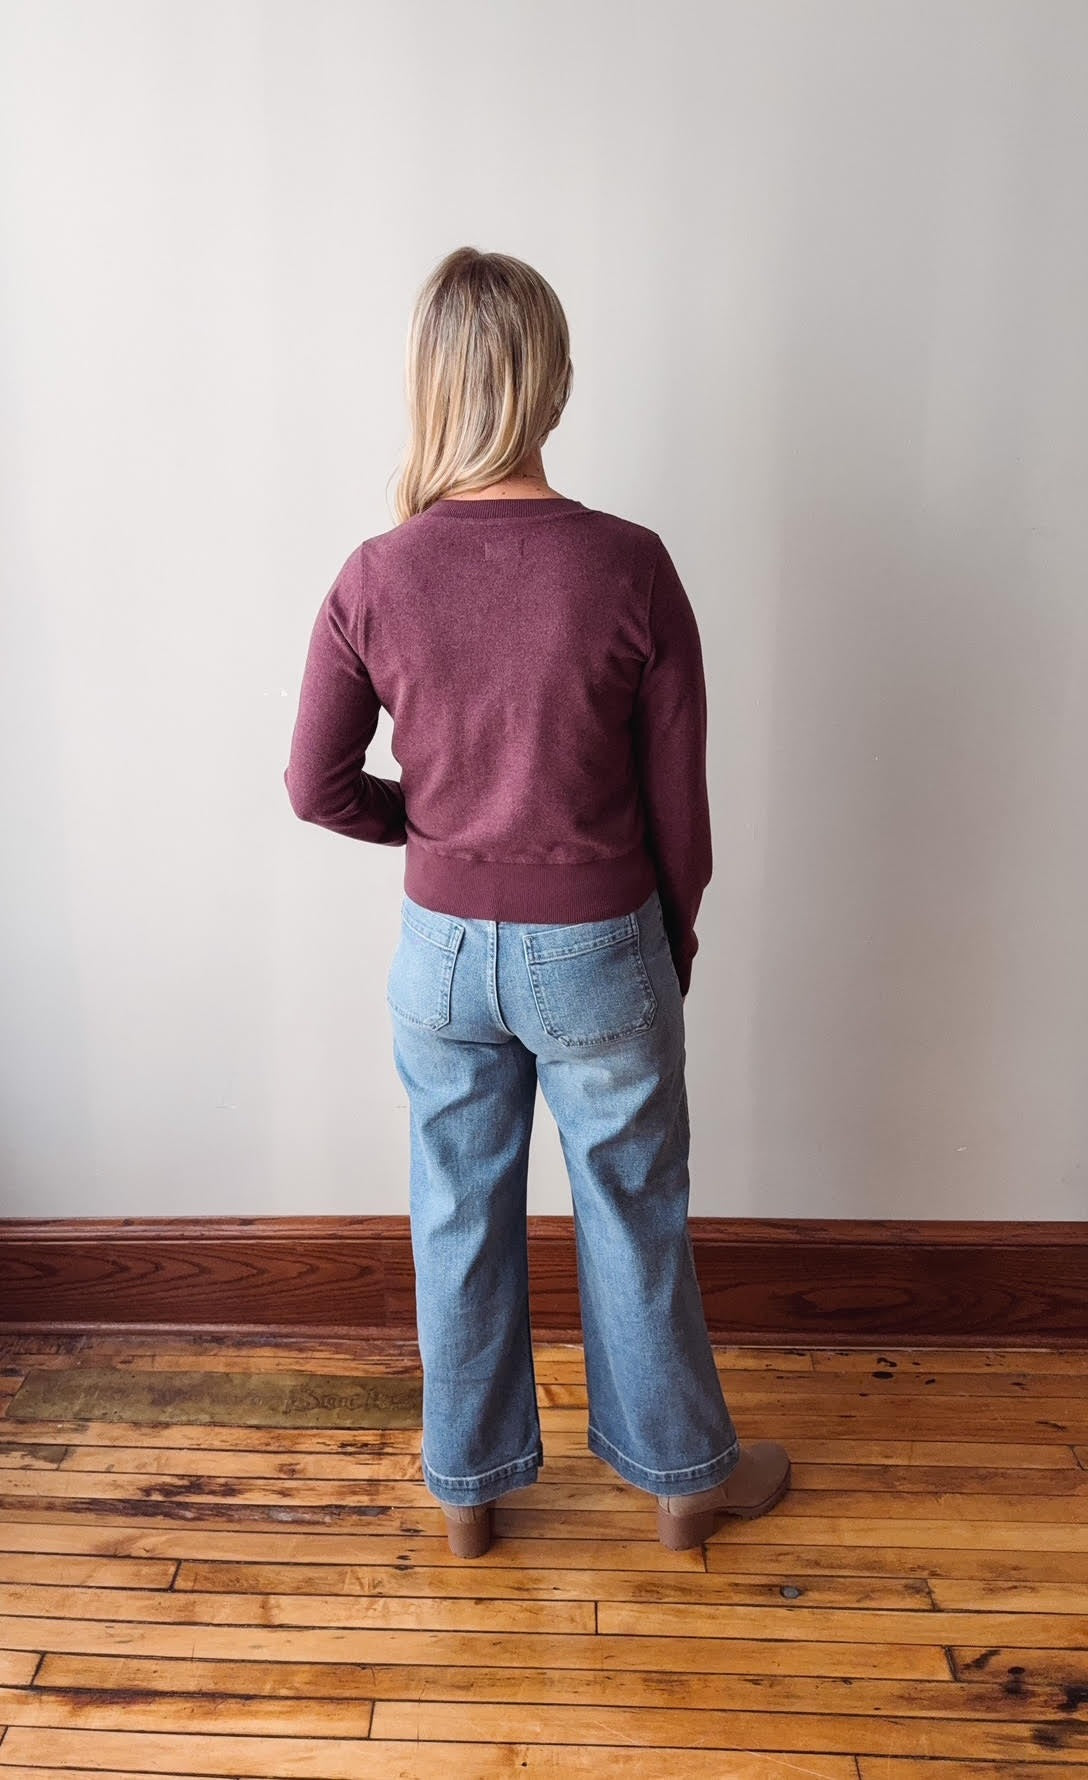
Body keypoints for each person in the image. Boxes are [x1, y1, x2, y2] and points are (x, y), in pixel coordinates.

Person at [284, 245, 790, 1558]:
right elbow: (682, 809)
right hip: (600, 945)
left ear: (432, 389)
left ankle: (471, 1493)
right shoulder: (629, 564)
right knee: (634, 1209)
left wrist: (438, 835)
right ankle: (684, 1481)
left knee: (457, 1208)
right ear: (551, 383)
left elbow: (313, 783)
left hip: (440, 959)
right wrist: (664, 948)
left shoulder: (375, 573)